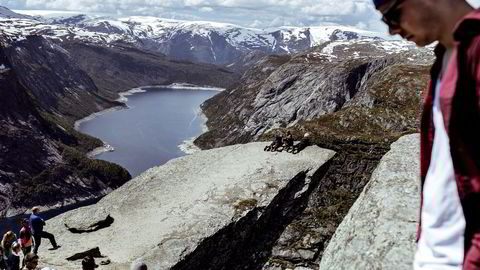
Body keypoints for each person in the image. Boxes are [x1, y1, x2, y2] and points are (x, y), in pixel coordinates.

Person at [373, 0, 480, 269]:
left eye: (392, 16)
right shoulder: (446, 56)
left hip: (461, 257)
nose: (392, 30)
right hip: (437, 251)